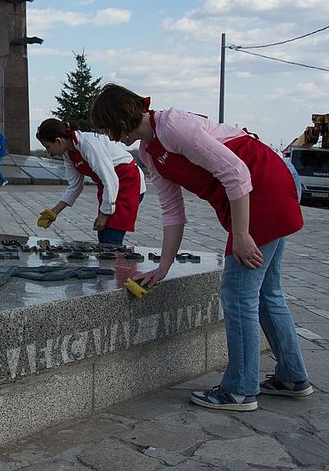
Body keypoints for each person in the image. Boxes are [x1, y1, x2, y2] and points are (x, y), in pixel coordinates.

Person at [91, 84, 311, 412]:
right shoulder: (150, 152)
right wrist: (164, 267)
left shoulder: (174, 125)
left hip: (261, 188)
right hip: (256, 193)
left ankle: (239, 390)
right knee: (267, 292)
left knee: (238, 295)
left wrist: (241, 234)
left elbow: (236, 172)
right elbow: (172, 210)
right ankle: (293, 377)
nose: (108, 138)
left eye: (107, 129)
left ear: (120, 120)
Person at [35, 118, 145, 245]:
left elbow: (110, 179)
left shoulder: (88, 144)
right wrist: (54, 212)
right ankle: (111, 263)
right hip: (109, 188)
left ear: (59, 141)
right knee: (102, 235)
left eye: (48, 147)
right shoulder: (69, 153)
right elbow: (75, 186)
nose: (48, 152)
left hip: (128, 183)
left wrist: (105, 213)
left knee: (111, 238)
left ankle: (119, 264)